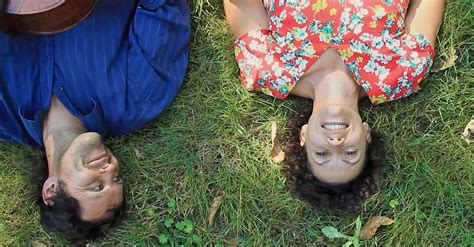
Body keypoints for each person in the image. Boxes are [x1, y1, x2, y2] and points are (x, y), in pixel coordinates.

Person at [224, 0, 444, 212]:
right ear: (366, 135)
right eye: (350, 152)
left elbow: (243, 3)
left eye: (321, 153)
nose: (336, 143)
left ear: (304, 136)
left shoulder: (267, 70)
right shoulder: (402, 74)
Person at [0, 0, 190, 240]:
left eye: (96, 186)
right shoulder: (139, 97)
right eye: (117, 179)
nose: (110, 169)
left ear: (52, 190)